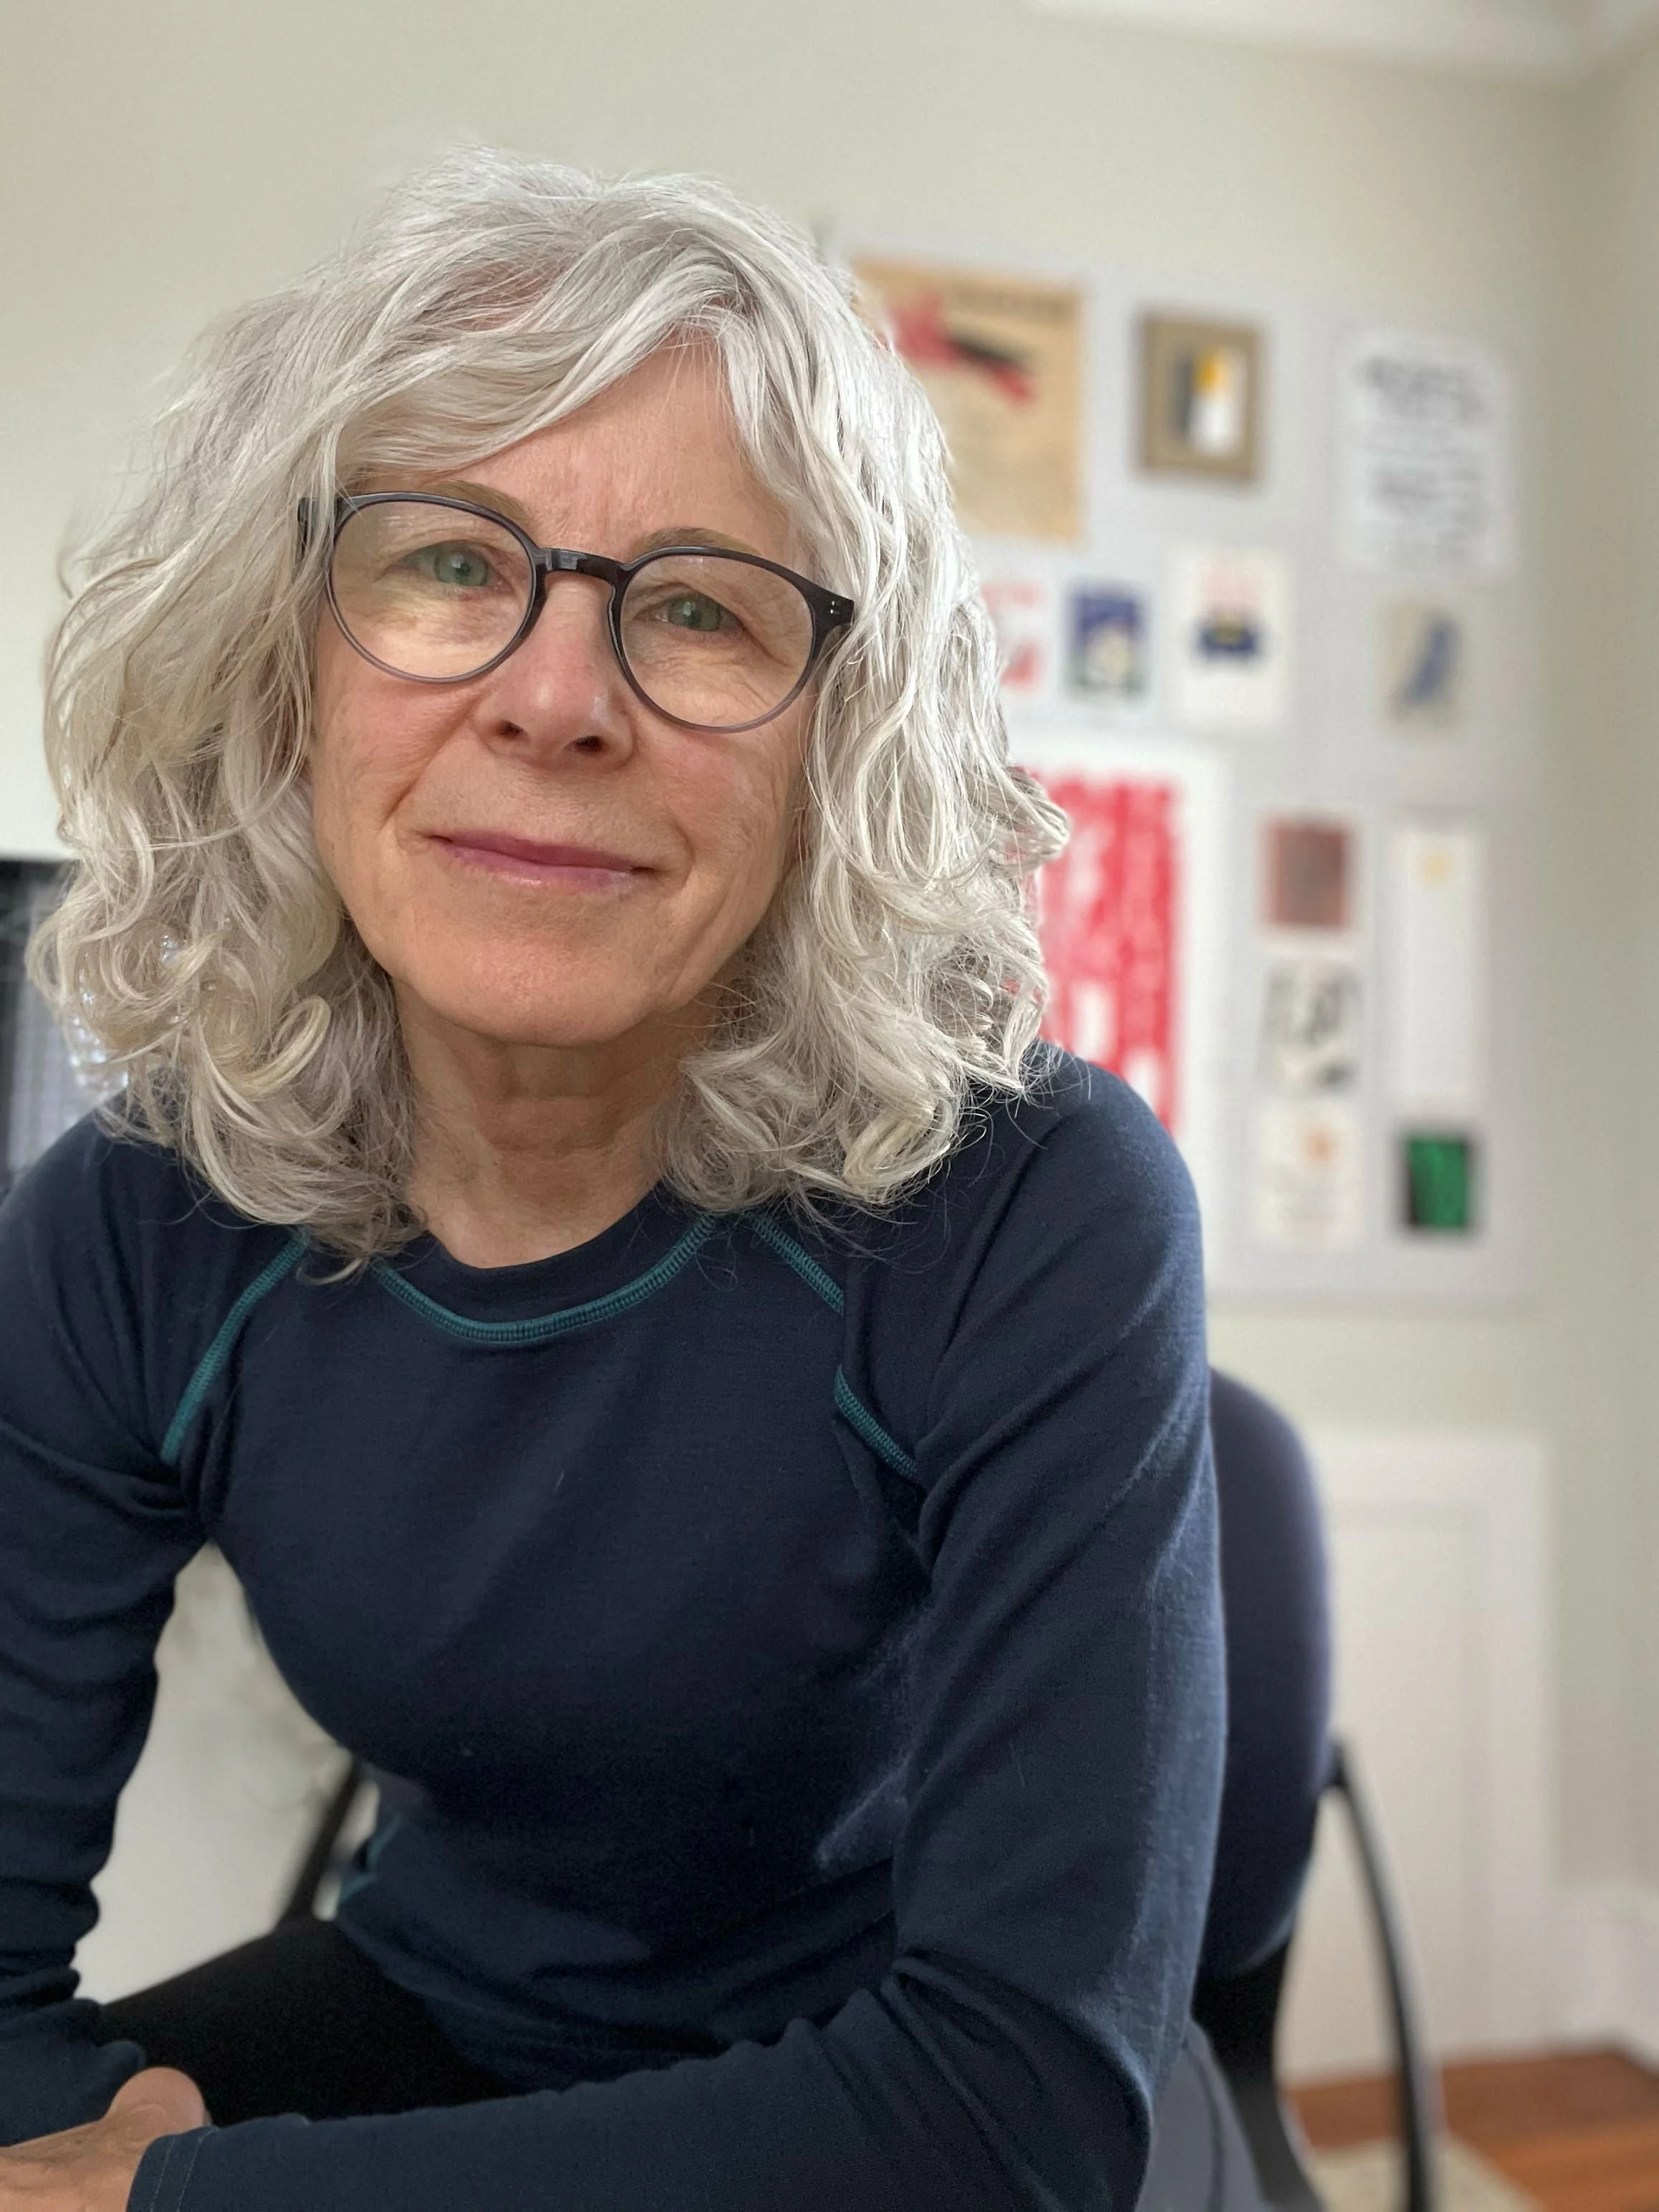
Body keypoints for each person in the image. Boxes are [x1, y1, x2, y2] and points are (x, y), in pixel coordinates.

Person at [0, 150, 1245, 2211]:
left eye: (695, 608)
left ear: (837, 751)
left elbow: (1020, 2102)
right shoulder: (137, 1221)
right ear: (274, 662)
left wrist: (187, 2204)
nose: (556, 698)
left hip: (940, 2096)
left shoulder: (1033, 1200)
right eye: (443, 566)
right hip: (445, 2017)